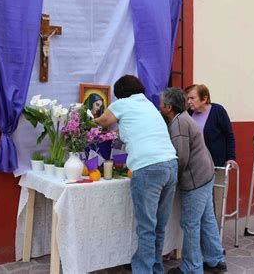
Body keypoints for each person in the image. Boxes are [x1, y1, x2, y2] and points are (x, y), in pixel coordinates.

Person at [94, 75, 177, 274]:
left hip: (148, 168)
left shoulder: (123, 104)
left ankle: (143, 271)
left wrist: (83, 121)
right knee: (159, 225)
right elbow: (128, 131)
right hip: (171, 165)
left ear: (120, 93)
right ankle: (155, 269)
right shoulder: (149, 105)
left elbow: (104, 120)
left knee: (147, 227)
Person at [160, 88, 227, 274]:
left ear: (168, 107)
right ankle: (216, 260)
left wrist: (172, 179)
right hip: (206, 173)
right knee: (207, 219)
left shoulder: (179, 123)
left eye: (161, 103)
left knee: (190, 224)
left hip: (196, 178)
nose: (159, 106)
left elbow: (181, 157)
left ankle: (192, 267)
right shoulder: (183, 118)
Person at [185, 84, 237, 229]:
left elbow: (229, 135)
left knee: (217, 200)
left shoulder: (217, 111)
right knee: (200, 202)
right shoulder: (189, 114)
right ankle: (203, 235)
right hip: (196, 166)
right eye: (187, 98)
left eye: (192, 98)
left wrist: (231, 157)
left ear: (204, 98)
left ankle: (216, 238)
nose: (189, 101)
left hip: (216, 164)